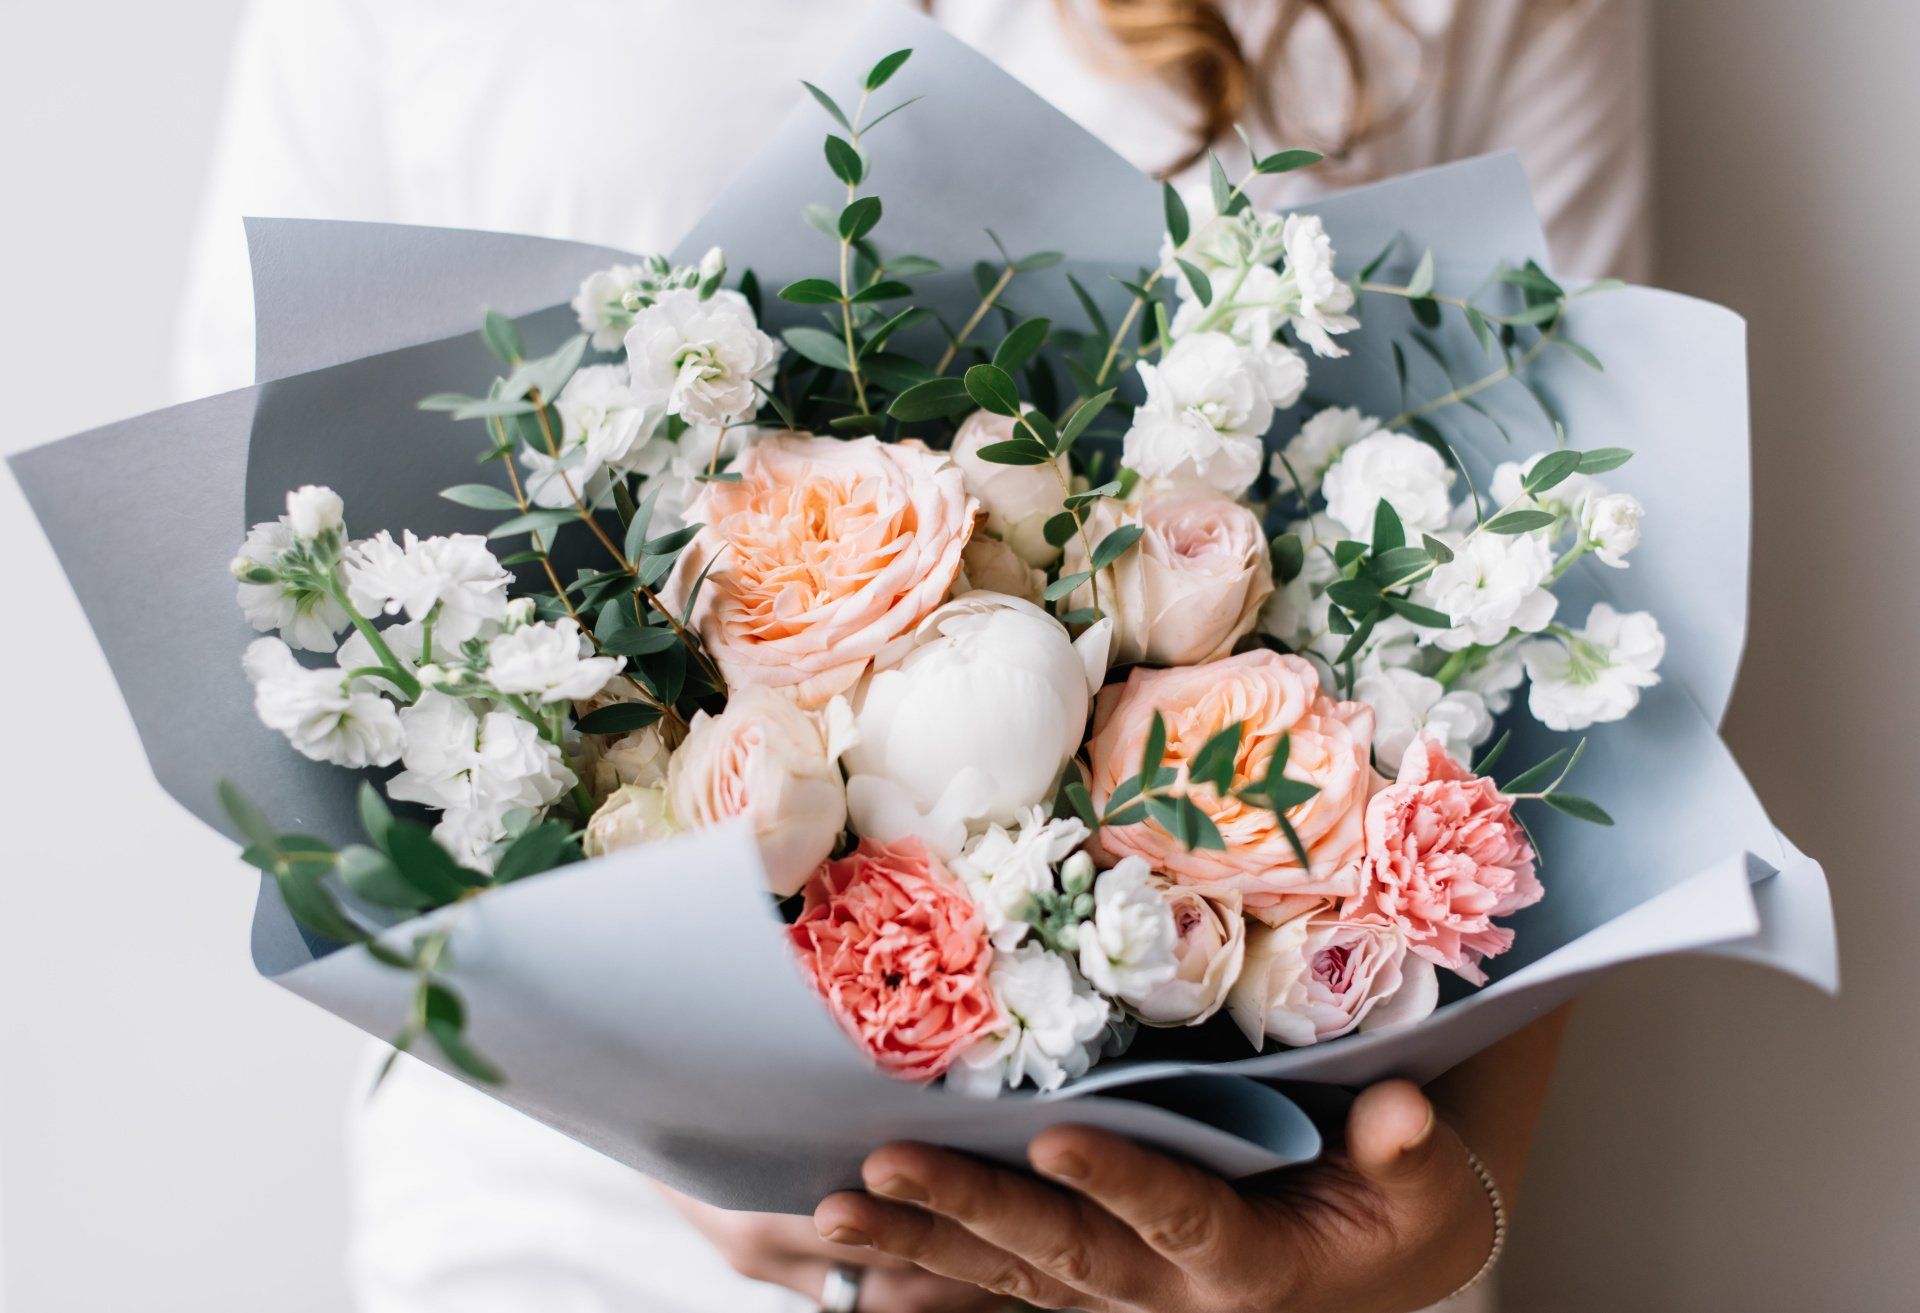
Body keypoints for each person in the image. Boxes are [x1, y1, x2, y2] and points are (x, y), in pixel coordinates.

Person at [177, 2, 1649, 1309]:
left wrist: (1437, 1217)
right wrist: (685, 1132)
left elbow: (1577, 590)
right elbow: (258, 581)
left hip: (1228, 1257)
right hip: (567, 1239)